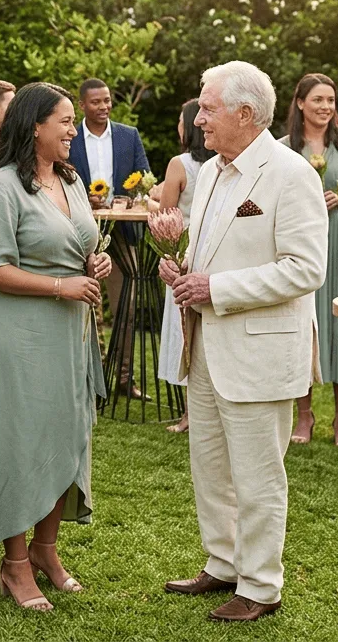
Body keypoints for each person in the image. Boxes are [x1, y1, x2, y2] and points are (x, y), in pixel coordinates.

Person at [158, 61, 327, 622]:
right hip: (206, 345)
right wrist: (181, 268)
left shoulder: (291, 173)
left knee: (258, 477)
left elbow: (306, 269)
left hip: (259, 351)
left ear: (246, 113)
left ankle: (260, 586)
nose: (198, 118)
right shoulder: (209, 172)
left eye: (208, 108)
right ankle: (223, 563)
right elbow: (210, 251)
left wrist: (217, 288)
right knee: (210, 466)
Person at [0, 82, 112, 612]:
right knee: (19, 440)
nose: (73, 130)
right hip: (17, 333)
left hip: (68, 330)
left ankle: (47, 551)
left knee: (64, 433)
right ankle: (15, 563)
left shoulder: (69, 179)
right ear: (35, 125)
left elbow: (78, 242)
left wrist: (93, 263)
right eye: (65, 121)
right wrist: (60, 286)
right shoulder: (1, 186)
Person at [279, 74, 338, 449]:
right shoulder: (284, 147)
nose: (325, 107)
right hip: (302, 245)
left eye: (331, 100)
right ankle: (304, 416)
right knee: (303, 326)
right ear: (300, 103)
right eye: (318, 100)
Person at [68, 78, 151, 399]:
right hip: (79, 232)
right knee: (81, 306)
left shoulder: (129, 135)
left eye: (107, 101)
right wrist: (83, 198)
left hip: (123, 231)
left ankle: (125, 378)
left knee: (125, 308)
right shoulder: (70, 136)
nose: (104, 107)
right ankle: (89, 376)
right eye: (96, 102)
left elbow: (143, 177)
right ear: (82, 105)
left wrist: (127, 198)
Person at [156, 99, 216, 434]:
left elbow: (166, 213)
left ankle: (190, 413)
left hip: (182, 254)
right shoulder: (218, 165)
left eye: (181, 120)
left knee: (184, 331)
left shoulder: (179, 165)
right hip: (211, 256)